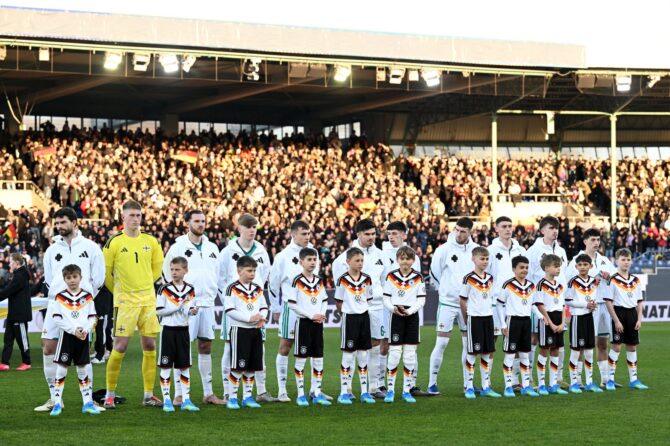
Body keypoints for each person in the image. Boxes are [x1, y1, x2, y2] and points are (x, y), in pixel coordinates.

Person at [36, 207, 105, 413]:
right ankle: (54, 398)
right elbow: (49, 279)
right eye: (57, 223)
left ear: (75, 222)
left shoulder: (91, 247)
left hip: (82, 308)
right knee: (48, 348)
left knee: (82, 352)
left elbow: (99, 278)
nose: (59, 227)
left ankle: (89, 401)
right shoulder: (52, 250)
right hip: (57, 305)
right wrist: (60, 298)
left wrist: (85, 302)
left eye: (63, 222)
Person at [103, 200, 164, 408]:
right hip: (126, 301)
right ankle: (110, 394)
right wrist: (121, 292)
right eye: (132, 215)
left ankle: (148, 395)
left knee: (150, 344)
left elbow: (157, 270)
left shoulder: (151, 241)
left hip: (147, 300)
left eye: (138, 215)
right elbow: (106, 274)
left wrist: (145, 285)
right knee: (120, 345)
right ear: (123, 218)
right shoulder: (114, 243)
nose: (136, 219)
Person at [162, 210, 225, 405]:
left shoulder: (213, 247)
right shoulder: (178, 247)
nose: (201, 224)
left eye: (203, 221)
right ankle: (179, 393)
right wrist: (177, 299)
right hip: (185, 306)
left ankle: (208, 393)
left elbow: (219, 275)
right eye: (197, 221)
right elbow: (166, 273)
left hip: (207, 304)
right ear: (187, 223)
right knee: (182, 348)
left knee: (205, 346)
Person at [217, 213, 272, 403]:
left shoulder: (261, 251)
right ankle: (227, 391)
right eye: (248, 227)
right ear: (239, 228)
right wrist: (232, 300)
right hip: (236, 311)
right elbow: (221, 278)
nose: (251, 231)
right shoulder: (228, 251)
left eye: (254, 227)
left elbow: (264, 276)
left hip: (255, 306)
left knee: (258, 350)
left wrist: (257, 306)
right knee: (229, 350)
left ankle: (260, 391)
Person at [269, 220, 326, 402]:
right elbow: (273, 283)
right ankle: (282, 390)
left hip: (312, 308)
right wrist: (276, 308)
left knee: (314, 348)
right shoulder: (282, 256)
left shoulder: (313, 252)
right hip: (291, 308)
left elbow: (315, 279)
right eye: (303, 233)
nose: (307, 237)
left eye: (308, 233)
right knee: (286, 345)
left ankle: (314, 390)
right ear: (293, 235)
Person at [332, 219, 387, 399]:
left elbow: (384, 281)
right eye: (367, 234)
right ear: (358, 235)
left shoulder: (381, 255)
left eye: (374, 234)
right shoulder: (343, 258)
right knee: (352, 349)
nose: (371, 237)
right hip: (354, 308)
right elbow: (340, 287)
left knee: (374, 345)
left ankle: (373, 386)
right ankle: (347, 389)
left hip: (376, 305)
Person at [428, 217, 478, 395]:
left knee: (468, 344)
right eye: (457, 229)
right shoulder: (444, 249)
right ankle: (432, 383)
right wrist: (446, 290)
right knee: (441, 343)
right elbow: (434, 274)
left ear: (470, 232)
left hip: (469, 304)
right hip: (448, 303)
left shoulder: (475, 250)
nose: (458, 233)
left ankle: (468, 384)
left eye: (463, 231)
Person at [565, 228, 616, 387]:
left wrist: (608, 277)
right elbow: (569, 283)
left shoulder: (604, 260)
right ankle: (578, 380)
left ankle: (605, 379)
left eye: (598, 239)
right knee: (582, 344)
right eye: (593, 240)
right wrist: (594, 276)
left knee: (602, 343)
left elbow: (614, 280)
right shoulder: (575, 261)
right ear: (585, 241)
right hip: (586, 308)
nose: (596, 243)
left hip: (604, 305)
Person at [382, 221, 427, 397]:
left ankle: (406, 390)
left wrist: (410, 311)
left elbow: (421, 299)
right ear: (397, 259)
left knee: (409, 354)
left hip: (411, 316)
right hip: (396, 316)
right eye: (402, 259)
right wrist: (394, 309)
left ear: (413, 261)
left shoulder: (417, 278)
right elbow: (386, 297)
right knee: (394, 353)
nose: (405, 262)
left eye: (408, 259)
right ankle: (391, 390)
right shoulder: (391, 276)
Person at [49, 264, 99, 416]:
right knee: (62, 369)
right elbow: (57, 318)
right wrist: (73, 330)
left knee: (83, 369)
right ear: (64, 279)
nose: (72, 280)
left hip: (83, 337)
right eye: (68, 278)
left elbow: (92, 317)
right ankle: (57, 403)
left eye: (74, 277)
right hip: (67, 338)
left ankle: (87, 403)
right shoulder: (60, 297)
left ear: (80, 277)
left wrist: (86, 329)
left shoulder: (88, 297)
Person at [526, 216, 568, 388]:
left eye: (556, 228)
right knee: (535, 339)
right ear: (542, 230)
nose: (555, 231)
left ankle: (556, 377)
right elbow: (527, 277)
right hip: (540, 302)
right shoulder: (533, 251)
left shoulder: (561, 251)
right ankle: (528, 376)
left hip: (558, 301)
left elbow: (564, 275)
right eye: (551, 228)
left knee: (559, 340)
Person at [286, 247, 331, 407]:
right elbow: (292, 304)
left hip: (318, 324)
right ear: (301, 262)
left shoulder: (319, 280)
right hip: (304, 324)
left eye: (314, 260)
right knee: (301, 359)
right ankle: (300, 394)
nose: (312, 263)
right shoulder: (296, 280)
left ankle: (316, 393)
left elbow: (325, 300)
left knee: (318, 358)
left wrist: (321, 313)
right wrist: (311, 315)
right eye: (309, 260)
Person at [156, 256, 200, 412]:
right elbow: (159, 310)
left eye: (177, 269)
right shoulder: (164, 289)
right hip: (168, 330)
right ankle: (167, 400)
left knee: (184, 366)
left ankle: (186, 400)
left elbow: (189, 307)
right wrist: (177, 307)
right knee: (166, 366)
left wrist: (192, 311)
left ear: (185, 270)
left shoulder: (190, 289)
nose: (174, 272)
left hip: (183, 330)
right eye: (172, 269)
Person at [223, 256, 268, 409]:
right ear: (239, 270)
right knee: (238, 366)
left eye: (254, 270)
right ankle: (233, 398)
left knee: (252, 366)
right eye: (249, 270)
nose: (252, 274)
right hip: (239, 331)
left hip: (256, 330)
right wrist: (249, 318)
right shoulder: (231, 288)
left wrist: (262, 317)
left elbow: (264, 306)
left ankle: (247, 397)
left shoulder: (257, 288)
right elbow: (229, 310)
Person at [487, 216, 526, 388]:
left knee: (516, 343)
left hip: (516, 303)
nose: (508, 229)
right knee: (491, 342)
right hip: (496, 303)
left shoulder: (520, 249)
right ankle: (486, 382)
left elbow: (527, 274)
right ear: (496, 229)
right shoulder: (490, 250)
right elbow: (485, 276)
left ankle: (516, 381)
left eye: (510, 226)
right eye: (504, 226)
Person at [335, 247, 375, 405]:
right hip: (349, 319)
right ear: (348, 262)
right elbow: (338, 301)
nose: (360, 263)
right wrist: (346, 313)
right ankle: (344, 392)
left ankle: (364, 392)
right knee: (348, 355)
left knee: (363, 355)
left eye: (362, 261)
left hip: (364, 318)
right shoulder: (342, 279)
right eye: (357, 260)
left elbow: (368, 298)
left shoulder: (367, 279)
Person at [604, 248, 648, 391]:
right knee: (616, 346)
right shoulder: (613, 279)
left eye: (628, 259)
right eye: (623, 259)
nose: (626, 262)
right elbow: (609, 302)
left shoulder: (635, 280)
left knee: (632, 346)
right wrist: (616, 320)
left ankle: (634, 380)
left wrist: (639, 319)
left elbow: (639, 302)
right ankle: (610, 379)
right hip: (619, 313)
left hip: (632, 315)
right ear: (616, 261)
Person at [459, 247, 500, 399]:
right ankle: (469, 387)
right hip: (474, 318)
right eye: (481, 258)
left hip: (488, 317)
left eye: (486, 259)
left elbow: (490, 299)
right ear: (473, 259)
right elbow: (462, 299)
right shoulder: (468, 278)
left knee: (487, 352)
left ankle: (485, 386)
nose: (484, 262)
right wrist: (466, 317)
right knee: (472, 352)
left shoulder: (490, 278)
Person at [496, 255, 539, 397]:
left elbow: (532, 305)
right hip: (512, 322)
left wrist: (541, 316)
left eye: (526, 267)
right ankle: (508, 386)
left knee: (525, 355)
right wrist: (502, 323)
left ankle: (526, 385)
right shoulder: (508, 285)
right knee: (510, 354)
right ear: (514, 269)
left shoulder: (531, 286)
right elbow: (499, 304)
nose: (524, 270)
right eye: (521, 267)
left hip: (526, 322)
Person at [565, 254, 603, 394]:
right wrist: (585, 305)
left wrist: (593, 304)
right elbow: (568, 300)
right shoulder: (572, 282)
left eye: (585, 265)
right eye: (580, 265)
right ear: (576, 267)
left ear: (590, 266)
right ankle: (573, 383)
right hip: (577, 318)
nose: (582, 267)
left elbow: (594, 297)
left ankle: (589, 382)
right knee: (576, 351)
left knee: (589, 351)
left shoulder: (594, 281)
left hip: (589, 318)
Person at [532, 254, 568, 396]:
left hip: (559, 318)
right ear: (546, 268)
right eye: (555, 266)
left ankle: (553, 384)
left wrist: (563, 322)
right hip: (547, 320)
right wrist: (551, 323)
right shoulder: (540, 284)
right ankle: (541, 384)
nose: (558, 269)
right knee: (544, 350)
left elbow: (563, 305)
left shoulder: (559, 286)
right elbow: (540, 305)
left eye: (559, 266)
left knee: (556, 351)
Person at [0, 253, 32, 371]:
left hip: (20, 314)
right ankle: (5, 363)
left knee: (22, 339)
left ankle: (27, 362)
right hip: (14, 313)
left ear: (16, 263)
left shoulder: (21, 275)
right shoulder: (19, 275)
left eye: (10, 261)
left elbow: (8, 291)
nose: (9, 263)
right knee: (8, 339)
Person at [91, 286, 113, 364]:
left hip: (102, 296)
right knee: (98, 327)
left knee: (102, 326)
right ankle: (98, 351)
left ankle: (101, 355)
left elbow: (99, 282)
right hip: (95, 295)